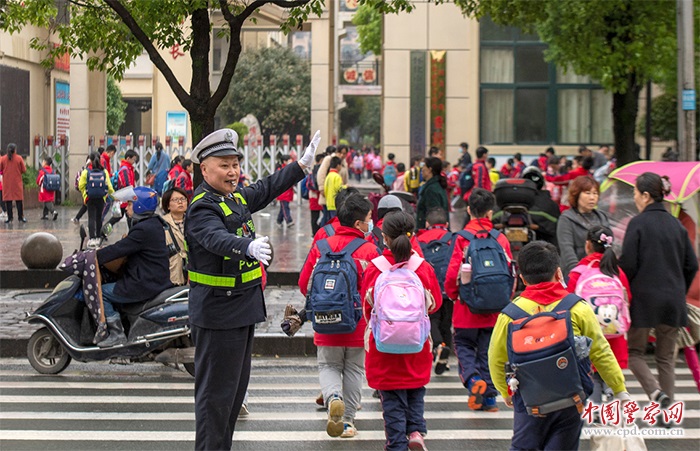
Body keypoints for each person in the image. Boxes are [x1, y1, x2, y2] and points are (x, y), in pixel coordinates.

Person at [186, 128, 321, 450]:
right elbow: (213, 237)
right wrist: (245, 247)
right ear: (204, 169)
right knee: (215, 400)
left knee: (231, 398)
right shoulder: (203, 206)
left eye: (235, 164)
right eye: (224, 165)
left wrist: (299, 167)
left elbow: (266, 188)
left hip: (241, 309)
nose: (232, 171)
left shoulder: (232, 198)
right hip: (218, 313)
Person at [488, 241, 629, 450]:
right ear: (558, 272)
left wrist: (506, 392)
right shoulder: (578, 307)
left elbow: (496, 358)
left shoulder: (510, 315)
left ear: (522, 278)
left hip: (528, 399)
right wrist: (619, 389)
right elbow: (600, 351)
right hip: (571, 399)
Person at [360, 210, 442, 451]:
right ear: (413, 235)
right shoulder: (422, 267)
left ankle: (396, 443)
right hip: (416, 344)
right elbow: (435, 303)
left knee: (392, 399)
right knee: (416, 389)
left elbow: (367, 308)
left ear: (384, 238)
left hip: (384, 345)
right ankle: (416, 430)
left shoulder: (376, 268)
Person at [298, 194, 379, 438]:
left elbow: (304, 284)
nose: (371, 223)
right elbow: (376, 291)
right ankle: (347, 422)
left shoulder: (321, 245)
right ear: (358, 224)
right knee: (354, 369)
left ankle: (333, 396)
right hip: (357, 322)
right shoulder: (369, 250)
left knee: (328, 365)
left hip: (325, 320)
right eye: (368, 219)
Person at [619, 173, 698, 413]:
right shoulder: (676, 225)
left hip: (644, 300)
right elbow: (692, 264)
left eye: (635, 193)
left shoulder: (638, 224)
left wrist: (626, 289)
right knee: (666, 359)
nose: (634, 199)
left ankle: (655, 392)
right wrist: (678, 288)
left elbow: (629, 264)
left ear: (645, 195)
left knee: (634, 353)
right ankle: (667, 412)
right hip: (673, 301)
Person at [445, 188, 513, 412]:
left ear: (468, 210)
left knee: (463, 346)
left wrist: (455, 296)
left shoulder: (462, 239)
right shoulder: (500, 238)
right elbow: (510, 272)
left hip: (467, 308)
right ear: (490, 213)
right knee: (488, 352)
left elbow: (453, 272)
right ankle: (491, 400)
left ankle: (474, 381)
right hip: (495, 309)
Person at [95, 186, 173, 347]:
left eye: (130, 204)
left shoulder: (143, 229)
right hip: (154, 279)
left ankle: (116, 333)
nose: (127, 207)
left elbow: (119, 249)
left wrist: (94, 256)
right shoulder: (153, 224)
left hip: (144, 282)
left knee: (102, 293)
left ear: (139, 206)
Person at [568, 225, 631, 405]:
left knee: (592, 379)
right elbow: (627, 302)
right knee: (612, 377)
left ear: (588, 245)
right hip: (615, 340)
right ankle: (613, 416)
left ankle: (594, 416)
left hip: (588, 340)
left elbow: (568, 305)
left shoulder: (578, 273)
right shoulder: (617, 273)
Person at [416, 207, 453, 375]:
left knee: (432, 319)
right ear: (446, 224)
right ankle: (444, 359)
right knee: (447, 322)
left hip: (429, 287)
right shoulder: (453, 239)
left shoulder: (419, 240)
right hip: (448, 287)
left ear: (427, 223)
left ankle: (438, 346)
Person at [556, 175, 610, 278]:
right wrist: (578, 274)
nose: (592, 197)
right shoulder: (567, 218)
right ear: (576, 194)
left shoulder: (602, 217)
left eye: (595, 193)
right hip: (575, 274)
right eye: (587, 193)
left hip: (601, 274)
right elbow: (567, 251)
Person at [79, 152, 115, 248]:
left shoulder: (86, 172)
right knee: (99, 217)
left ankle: (92, 238)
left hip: (90, 198)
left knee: (91, 217)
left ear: (89, 160)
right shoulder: (104, 172)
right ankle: (98, 237)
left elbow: (80, 185)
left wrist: (85, 195)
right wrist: (112, 196)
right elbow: (110, 187)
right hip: (101, 198)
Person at [161, 187, 189, 286]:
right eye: (176, 200)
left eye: (183, 199)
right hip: (172, 273)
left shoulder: (193, 221)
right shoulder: (161, 224)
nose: (180, 202)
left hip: (191, 274)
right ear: (168, 205)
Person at [107, 148, 138, 229]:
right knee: (120, 217)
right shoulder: (125, 169)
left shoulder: (129, 168)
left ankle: (103, 232)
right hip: (125, 198)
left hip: (126, 197)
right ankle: (103, 232)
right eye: (133, 159)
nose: (134, 161)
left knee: (127, 217)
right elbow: (126, 184)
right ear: (128, 158)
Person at [415, 157, 448, 231]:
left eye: (424, 166)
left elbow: (434, 216)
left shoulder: (431, 190)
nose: (422, 169)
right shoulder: (435, 185)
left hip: (430, 234)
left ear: (430, 169)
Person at [0, 143, 27, 223]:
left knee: (8, 201)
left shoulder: (3, 159)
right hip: (17, 182)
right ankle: (20, 217)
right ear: (15, 150)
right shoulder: (19, 158)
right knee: (19, 200)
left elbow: (0, 169)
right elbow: (24, 170)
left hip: (7, 183)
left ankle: (10, 217)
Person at [323, 156, 345, 224]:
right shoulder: (337, 176)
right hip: (335, 203)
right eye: (341, 165)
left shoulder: (328, 176)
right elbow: (339, 189)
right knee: (336, 223)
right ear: (338, 165)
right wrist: (346, 186)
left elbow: (325, 189)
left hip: (329, 203)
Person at [37, 156, 58, 221]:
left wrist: (39, 184)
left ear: (45, 163)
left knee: (47, 201)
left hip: (44, 189)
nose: (42, 163)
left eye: (43, 161)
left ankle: (53, 212)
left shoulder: (42, 171)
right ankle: (45, 215)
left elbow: (39, 180)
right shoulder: (52, 171)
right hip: (51, 188)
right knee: (47, 200)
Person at [308, 153, 325, 235]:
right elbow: (310, 185)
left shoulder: (314, 172)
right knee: (316, 217)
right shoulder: (314, 173)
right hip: (316, 197)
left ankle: (316, 232)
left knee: (319, 217)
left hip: (318, 197)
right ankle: (315, 233)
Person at [0, 147, 6, 221]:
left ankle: (4, 211)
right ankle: (4, 211)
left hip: (1, 183)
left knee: (1, 198)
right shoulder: (4, 160)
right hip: (3, 183)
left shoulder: (1, 160)